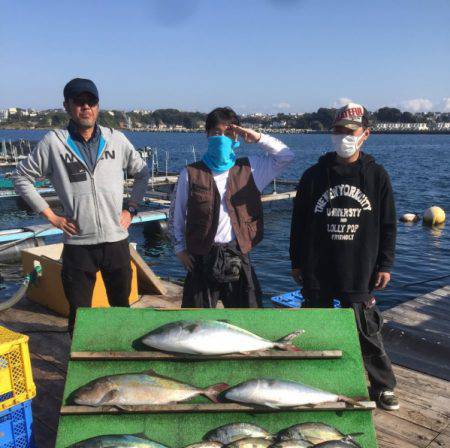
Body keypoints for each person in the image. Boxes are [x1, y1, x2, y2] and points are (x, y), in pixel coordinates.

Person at [13, 78, 149, 334]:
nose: (86, 107)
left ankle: (123, 360)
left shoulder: (116, 140)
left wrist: (131, 208)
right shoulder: (54, 142)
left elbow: (142, 173)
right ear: (67, 106)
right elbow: (21, 177)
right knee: (80, 316)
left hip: (116, 241)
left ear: (98, 106)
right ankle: (79, 364)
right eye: (79, 102)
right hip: (78, 245)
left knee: (122, 307)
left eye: (91, 101)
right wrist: (52, 217)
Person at [289, 102, 398, 410]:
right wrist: (296, 261)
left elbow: (389, 223)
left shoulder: (377, 176)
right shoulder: (313, 176)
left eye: (349, 132)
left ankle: (383, 385)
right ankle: (315, 380)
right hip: (318, 267)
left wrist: (385, 264)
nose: (343, 137)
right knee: (317, 326)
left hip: (359, 266)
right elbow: (298, 224)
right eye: (337, 131)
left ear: (365, 135)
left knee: (366, 328)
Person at [170, 106, 294, 308]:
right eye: (216, 133)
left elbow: (286, 156)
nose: (222, 138)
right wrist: (179, 250)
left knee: (249, 318)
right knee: (196, 323)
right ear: (207, 134)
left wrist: (257, 137)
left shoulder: (251, 168)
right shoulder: (190, 173)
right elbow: (177, 214)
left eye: (228, 133)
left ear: (236, 137)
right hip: (201, 256)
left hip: (238, 253)